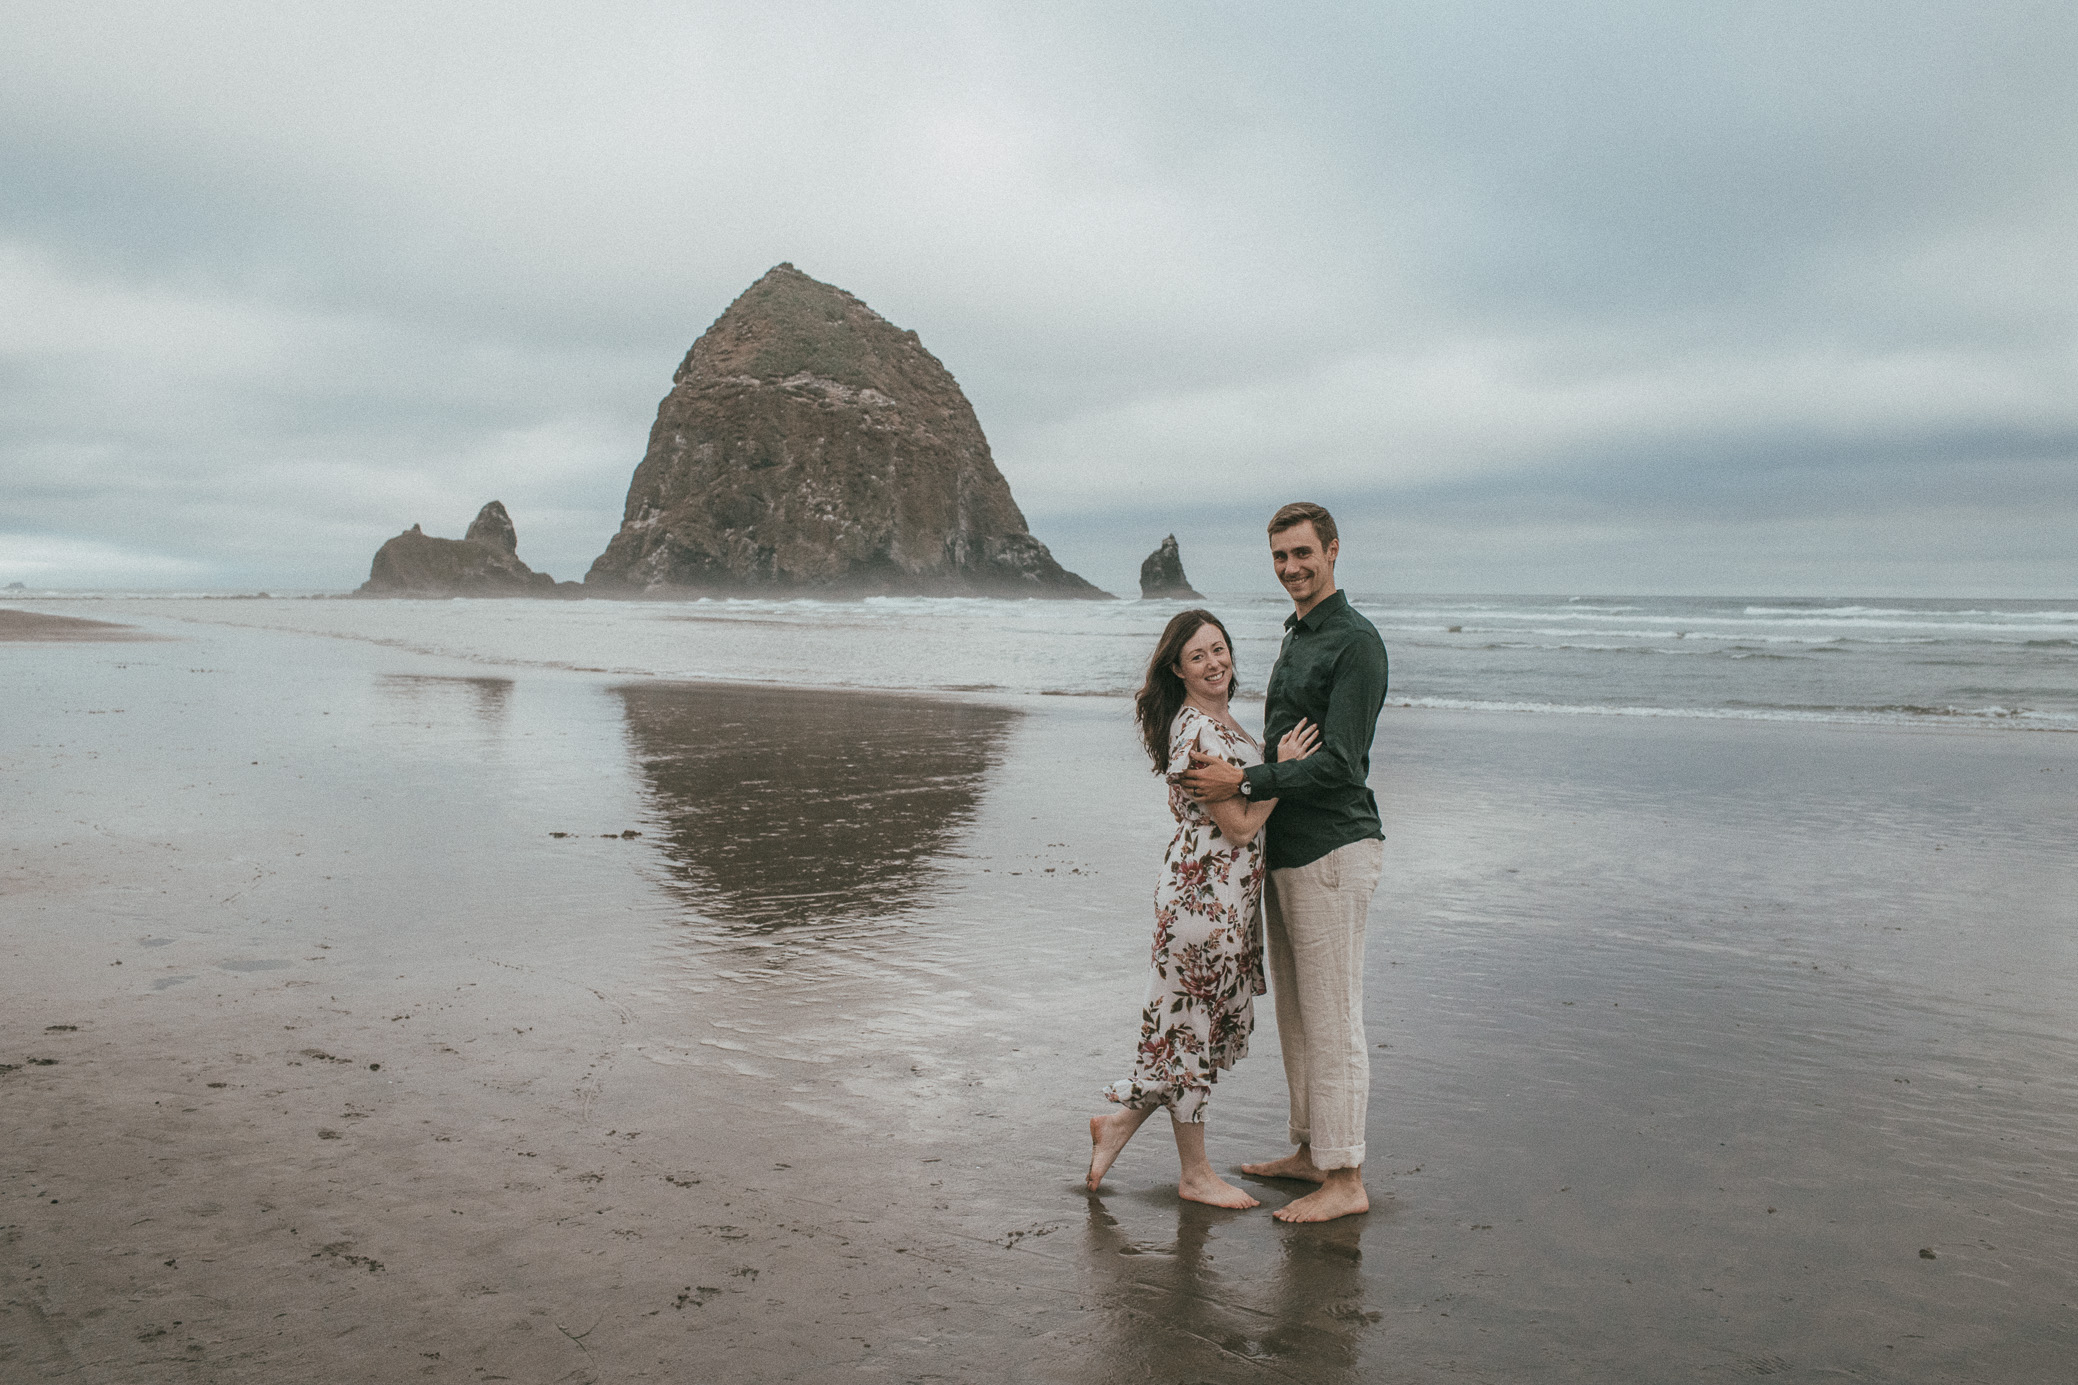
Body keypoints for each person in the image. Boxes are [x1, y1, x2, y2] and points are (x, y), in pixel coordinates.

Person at [1181, 502, 1387, 1223]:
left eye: (1303, 553)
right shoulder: (1299, 633)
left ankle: (1347, 1174)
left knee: (1334, 1018)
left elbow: (1341, 765)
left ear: (1333, 549)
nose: (1293, 569)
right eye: (1280, 557)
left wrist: (1247, 780)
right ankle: (1310, 1150)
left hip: (1336, 847)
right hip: (1289, 851)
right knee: (1299, 1017)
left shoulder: (1356, 643)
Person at [1086, 608, 1319, 1207]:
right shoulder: (1195, 735)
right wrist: (1282, 773)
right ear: (1178, 668)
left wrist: (1267, 767)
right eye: (1198, 656)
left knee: (1183, 1032)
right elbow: (1239, 827)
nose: (1215, 662)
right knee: (1187, 1033)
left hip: (1224, 902)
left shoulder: (1221, 723)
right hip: (1201, 902)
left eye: (1220, 649)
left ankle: (1115, 1125)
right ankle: (1194, 1175)